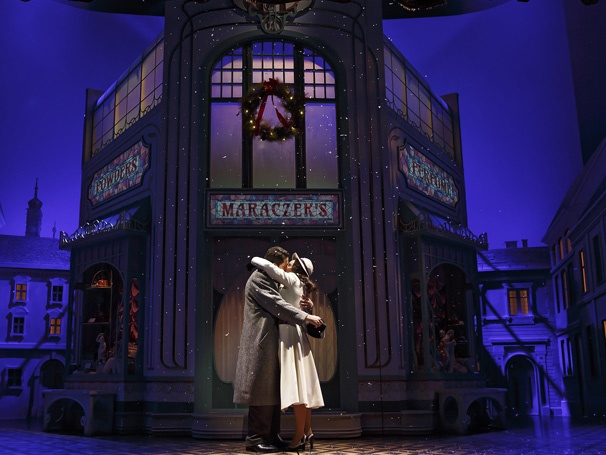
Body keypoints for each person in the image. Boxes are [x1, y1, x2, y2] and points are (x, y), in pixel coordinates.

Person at [233, 246, 324, 454]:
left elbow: (288, 301)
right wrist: (305, 316)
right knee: (261, 392)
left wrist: (306, 307)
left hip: (275, 341)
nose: (285, 269)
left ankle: (272, 435)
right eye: (284, 265)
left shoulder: (275, 280)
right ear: (276, 265)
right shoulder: (259, 278)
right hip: (261, 341)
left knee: (273, 392)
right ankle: (256, 439)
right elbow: (277, 304)